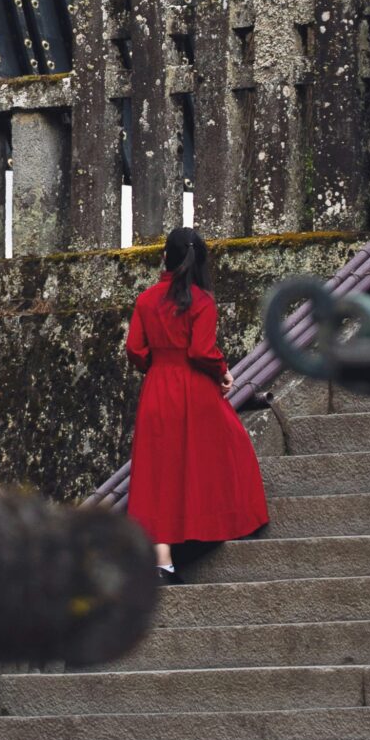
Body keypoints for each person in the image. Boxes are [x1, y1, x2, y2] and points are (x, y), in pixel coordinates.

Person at [125, 228, 269, 572]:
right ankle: (213, 524)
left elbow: (134, 349)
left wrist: (156, 364)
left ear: (165, 258)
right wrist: (223, 371)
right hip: (196, 388)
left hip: (158, 387)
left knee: (158, 468)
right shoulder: (201, 301)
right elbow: (201, 350)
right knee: (223, 449)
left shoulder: (146, 300)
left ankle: (162, 557)